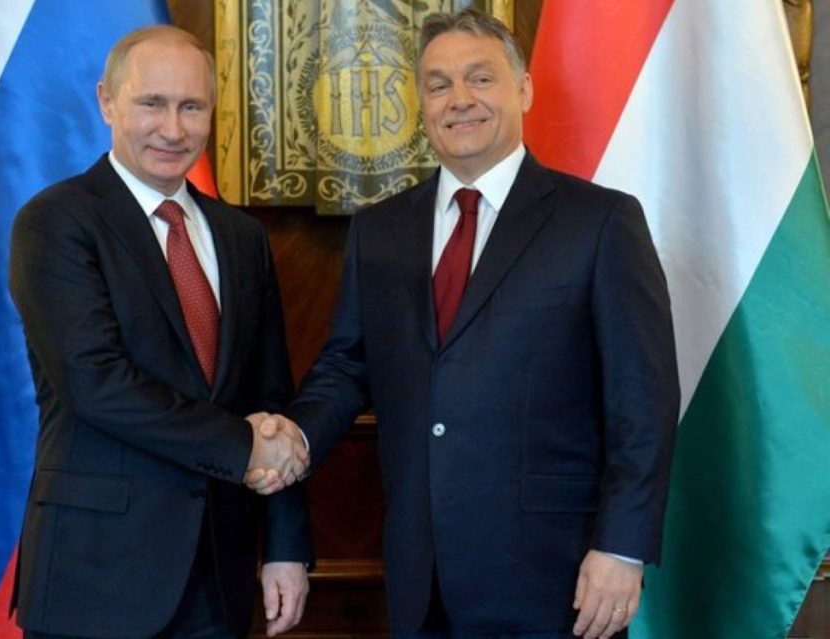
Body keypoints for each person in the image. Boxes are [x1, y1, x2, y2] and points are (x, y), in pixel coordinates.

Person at [250, 9, 678, 639]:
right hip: (421, 572)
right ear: (421, 103)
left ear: (523, 89)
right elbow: (347, 365)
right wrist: (295, 437)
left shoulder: (600, 222)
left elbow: (643, 401)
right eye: (439, 84)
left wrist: (621, 546)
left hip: (555, 574)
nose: (459, 100)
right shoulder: (380, 230)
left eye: (480, 78)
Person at [9, 25, 312, 639]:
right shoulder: (56, 222)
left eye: (191, 107)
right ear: (107, 102)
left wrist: (285, 547)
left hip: (219, 576)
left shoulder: (242, 237)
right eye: (152, 103)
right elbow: (96, 382)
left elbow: (271, 397)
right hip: (96, 577)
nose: (173, 129)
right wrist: (242, 446)